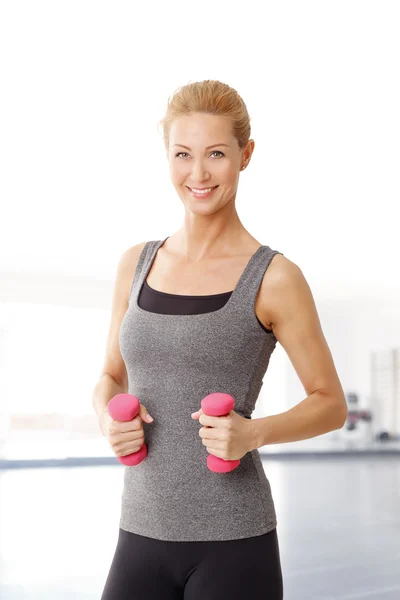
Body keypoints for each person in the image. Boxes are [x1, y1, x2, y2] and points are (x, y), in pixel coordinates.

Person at [92, 79, 348, 599]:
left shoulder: (274, 277)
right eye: (183, 155)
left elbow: (330, 404)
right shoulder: (135, 264)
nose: (198, 174)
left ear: (245, 155)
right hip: (139, 529)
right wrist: (105, 416)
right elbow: (111, 375)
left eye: (215, 154)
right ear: (167, 157)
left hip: (234, 541)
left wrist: (253, 434)